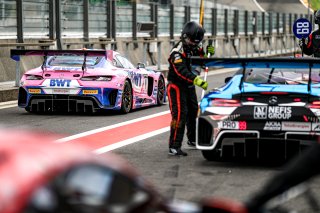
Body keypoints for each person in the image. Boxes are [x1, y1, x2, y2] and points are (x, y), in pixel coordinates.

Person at [167, 21, 215, 156]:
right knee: (179, 115)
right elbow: (180, 71)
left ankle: (192, 139)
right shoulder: (177, 52)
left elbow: (202, 61)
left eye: (193, 41)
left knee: (194, 111)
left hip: (188, 85)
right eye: (189, 39)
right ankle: (174, 146)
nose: (191, 42)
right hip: (176, 86)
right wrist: (196, 79)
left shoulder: (194, 48)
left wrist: (208, 54)